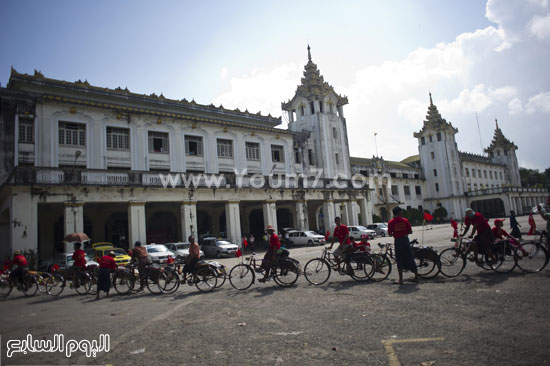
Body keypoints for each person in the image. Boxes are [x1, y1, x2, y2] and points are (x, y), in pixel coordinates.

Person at [388, 206, 418, 284]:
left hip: (398, 242)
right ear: (398, 212)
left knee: (399, 260)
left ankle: (401, 279)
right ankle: (416, 276)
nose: (402, 213)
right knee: (410, 257)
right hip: (405, 240)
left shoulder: (391, 222)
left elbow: (390, 234)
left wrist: (396, 232)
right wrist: (404, 233)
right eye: (401, 211)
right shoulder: (405, 220)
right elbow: (410, 231)